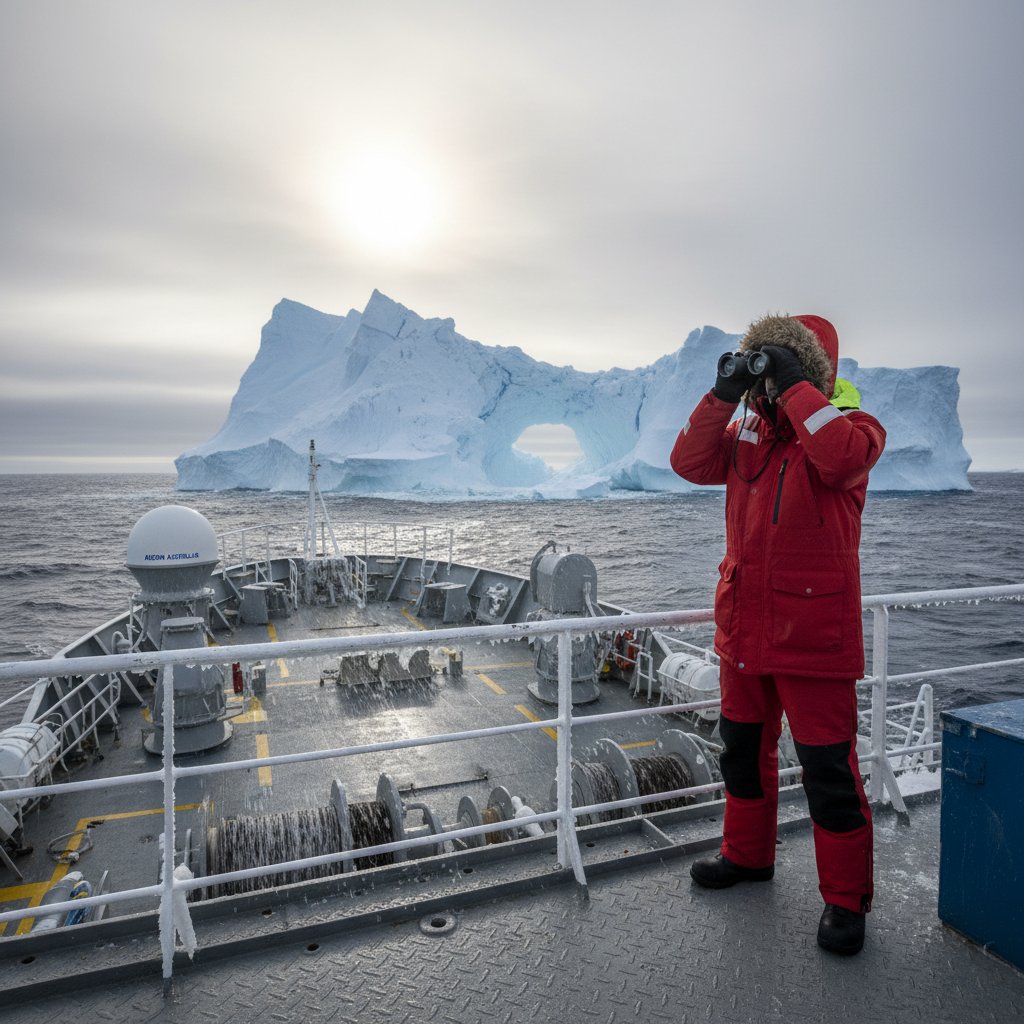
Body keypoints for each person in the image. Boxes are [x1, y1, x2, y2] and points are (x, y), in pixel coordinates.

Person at [669, 313, 886, 956]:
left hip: (813, 637)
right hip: (745, 631)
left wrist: (797, 389)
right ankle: (747, 856)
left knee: (828, 773)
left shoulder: (857, 433)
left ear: (815, 371)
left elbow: (840, 459)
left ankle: (846, 901)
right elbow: (686, 461)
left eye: (782, 364)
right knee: (740, 753)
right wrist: (723, 394)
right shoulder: (747, 439)